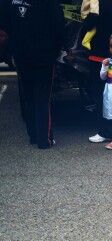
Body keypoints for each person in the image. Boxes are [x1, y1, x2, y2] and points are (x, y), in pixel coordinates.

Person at [0, 0, 67, 149]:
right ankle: (45, 139)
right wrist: (61, 49)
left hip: (21, 55)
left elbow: (4, 26)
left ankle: (33, 136)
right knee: (43, 97)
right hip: (44, 55)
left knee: (28, 96)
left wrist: (11, 51)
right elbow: (58, 24)